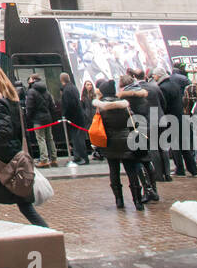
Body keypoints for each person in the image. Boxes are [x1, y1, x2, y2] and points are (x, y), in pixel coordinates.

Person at [0, 65, 52, 227]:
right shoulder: (10, 99)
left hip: (0, 158)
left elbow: (4, 131)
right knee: (23, 202)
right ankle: (46, 231)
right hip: (13, 154)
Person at [95, 79, 147, 211]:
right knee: (132, 172)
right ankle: (137, 201)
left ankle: (119, 200)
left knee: (114, 171)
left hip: (110, 142)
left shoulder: (100, 108)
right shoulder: (125, 106)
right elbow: (134, 123)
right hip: (127, 141)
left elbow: (97, 126)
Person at [119, 73, 160, 202]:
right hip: (146, 127)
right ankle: (153, 189)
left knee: (138, 161)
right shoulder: (143, 95)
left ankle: (147, 189)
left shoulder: (126, 99)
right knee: (147, 160)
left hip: (134, 131)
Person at [161, 64, 197, 177]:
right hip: (180, 117)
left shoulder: (163, 87)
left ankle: (180, 169)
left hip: (170, 118)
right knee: (184, 146)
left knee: (175, 146)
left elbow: (164, 105)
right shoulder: (175, 85)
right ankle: (193, 169)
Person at [25, 75, 60, 167]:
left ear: (33, 80)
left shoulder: (31, 91)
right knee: (50, 138)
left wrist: (28, 117)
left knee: (41, 139)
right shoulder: (46, 90)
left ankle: (44, 159)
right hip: (47, 117)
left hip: (37, 119)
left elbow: (29, 106)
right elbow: (52, 106)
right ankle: (54, 158)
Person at [60, 72, 89, 166]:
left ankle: (81, 157)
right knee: (77, 138)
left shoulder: (67, 90)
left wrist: (65, 115)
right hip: (78, 117)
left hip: (74, 118)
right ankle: (79, 157)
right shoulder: (73, 87)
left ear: (61, 80)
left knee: (77, 139)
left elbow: (69, 105)